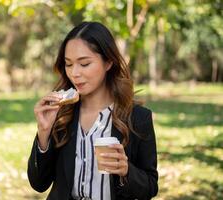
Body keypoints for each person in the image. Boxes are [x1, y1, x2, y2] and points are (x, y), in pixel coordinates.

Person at [27, 21, 158, 200]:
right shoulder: (61, 115)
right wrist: (43, 133)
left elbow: (150, 187)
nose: (74, 73)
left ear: (108, 62)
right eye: (68, 64)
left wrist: (126, 171)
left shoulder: (138, 118)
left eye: (84, 63)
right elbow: (39, 184)